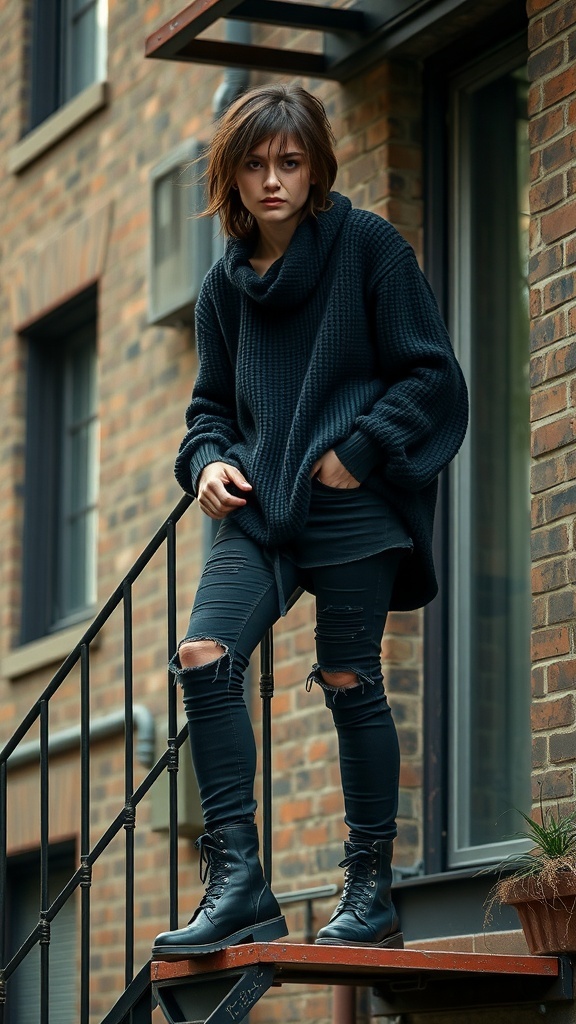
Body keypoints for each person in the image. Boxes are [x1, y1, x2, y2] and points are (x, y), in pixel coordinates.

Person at [152, 84, 468, 958]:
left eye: (289, 163)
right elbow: (208, 408)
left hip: (352, 502)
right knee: (203, 654)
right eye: (254, 165)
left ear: (316, 165)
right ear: (232, 175)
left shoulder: (368, 246)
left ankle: (369, 890)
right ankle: (240, 882)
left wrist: (361, 450)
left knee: (346, 679)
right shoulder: (223, 285)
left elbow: (431, 375)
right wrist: (206, 462)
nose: (272, 180)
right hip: (259, 508)